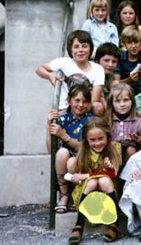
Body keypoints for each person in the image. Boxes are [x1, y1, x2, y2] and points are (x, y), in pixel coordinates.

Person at [68, 117, 122, 244]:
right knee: (93, 182)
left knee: (104, 180)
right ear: (86, 140)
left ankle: (114, 223)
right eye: (92, 140)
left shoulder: (115, 148)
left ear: (107, 136)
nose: (97, 143)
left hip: (107, 192)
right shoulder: (84, 151)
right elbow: (79, 179)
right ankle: (79, 224)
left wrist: (108, 169)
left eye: (100, 138)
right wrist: (79, 178)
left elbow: (114, 175)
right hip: (89, 192)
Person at [46, 84, 93, 214]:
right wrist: (48, 124)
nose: (80, 104)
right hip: (64, 162)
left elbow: (85, 148)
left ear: (89, 103)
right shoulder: (62, 119)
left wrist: (64, 136)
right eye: (77, 100)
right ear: (69, 100)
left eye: (84, 101)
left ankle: (78, 195)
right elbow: (51, 150)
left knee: (72, 161)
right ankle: (64, 195)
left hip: (84, 160)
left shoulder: (91, 121)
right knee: (62, 153)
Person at [35, 30, 105, 116]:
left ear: (90, 49)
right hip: (64, 108)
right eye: (76, 47)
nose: (80, 50)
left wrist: (80, 108)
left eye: (84, 46)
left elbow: (94, 99)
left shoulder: (98, 69)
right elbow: (39, 69)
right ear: (70, 50)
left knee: (98, 106)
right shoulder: (64, 63)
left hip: (85, 108)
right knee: (51, 117)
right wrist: (50, 76)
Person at [105, 83, 141, 164]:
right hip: (111, 159)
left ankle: (130, 175)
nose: (122, 104)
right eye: (117, 101)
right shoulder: (106, 121)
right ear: (111, 103)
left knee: (130, 149)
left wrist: (139, 140)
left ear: (132, 101)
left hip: (133, 159)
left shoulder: (140, 122)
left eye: (126, 100)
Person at [114, 25, 141, 95]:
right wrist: (129, 80)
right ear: (124, 44)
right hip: (123, 92)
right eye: (129, 42)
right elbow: (115, 84)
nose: (133, 46)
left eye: (136, 42)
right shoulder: (119, 58)